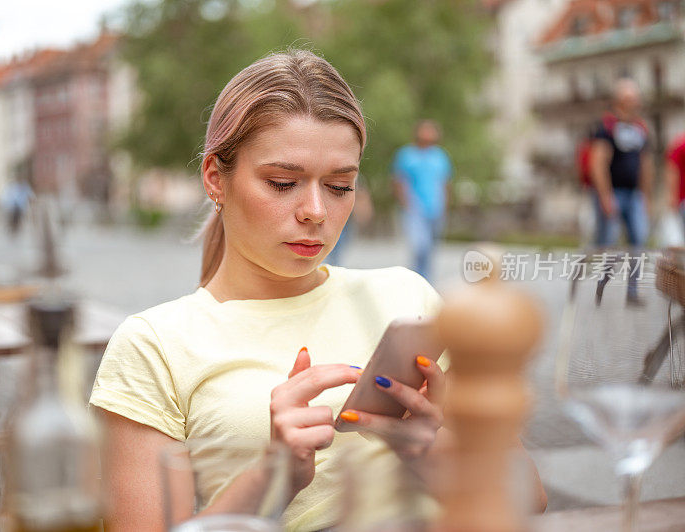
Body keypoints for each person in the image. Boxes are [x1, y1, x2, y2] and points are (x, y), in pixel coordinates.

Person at [89, 50, 546, 531]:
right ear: (215, 179)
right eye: (283, 183)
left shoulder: (406, 298)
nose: (315, 211)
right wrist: (274, 474)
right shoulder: (154, 344)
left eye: (339, 186)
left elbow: (529, 498)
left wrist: (440, 446)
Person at [589, 78, 652, 303]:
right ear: (620, 99)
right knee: (610, 243)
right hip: (613, 192)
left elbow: (645, 164)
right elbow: (598, 163)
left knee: (639, 241)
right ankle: (602, 284)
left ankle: (632, 292)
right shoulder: (606, 127)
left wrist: (645, 196)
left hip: (634, 194)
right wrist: (605, 196)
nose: (635, 101)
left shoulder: (640, 128)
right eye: (630, 97)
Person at [391, 120, 452, 282]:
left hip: (435, 209)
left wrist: (445, 205)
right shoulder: (406, 155)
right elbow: (399, 181)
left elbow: (445, 183)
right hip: (414, 209)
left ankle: (427, 280)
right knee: (419, 246)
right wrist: (407, 204)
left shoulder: (440, 156)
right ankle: (416, 277)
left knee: (431, 248)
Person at [323, 174, 373, 266]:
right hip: (333, 216)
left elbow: (361, 193)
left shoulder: (353, 174)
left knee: (338, 248)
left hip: (345, 219)